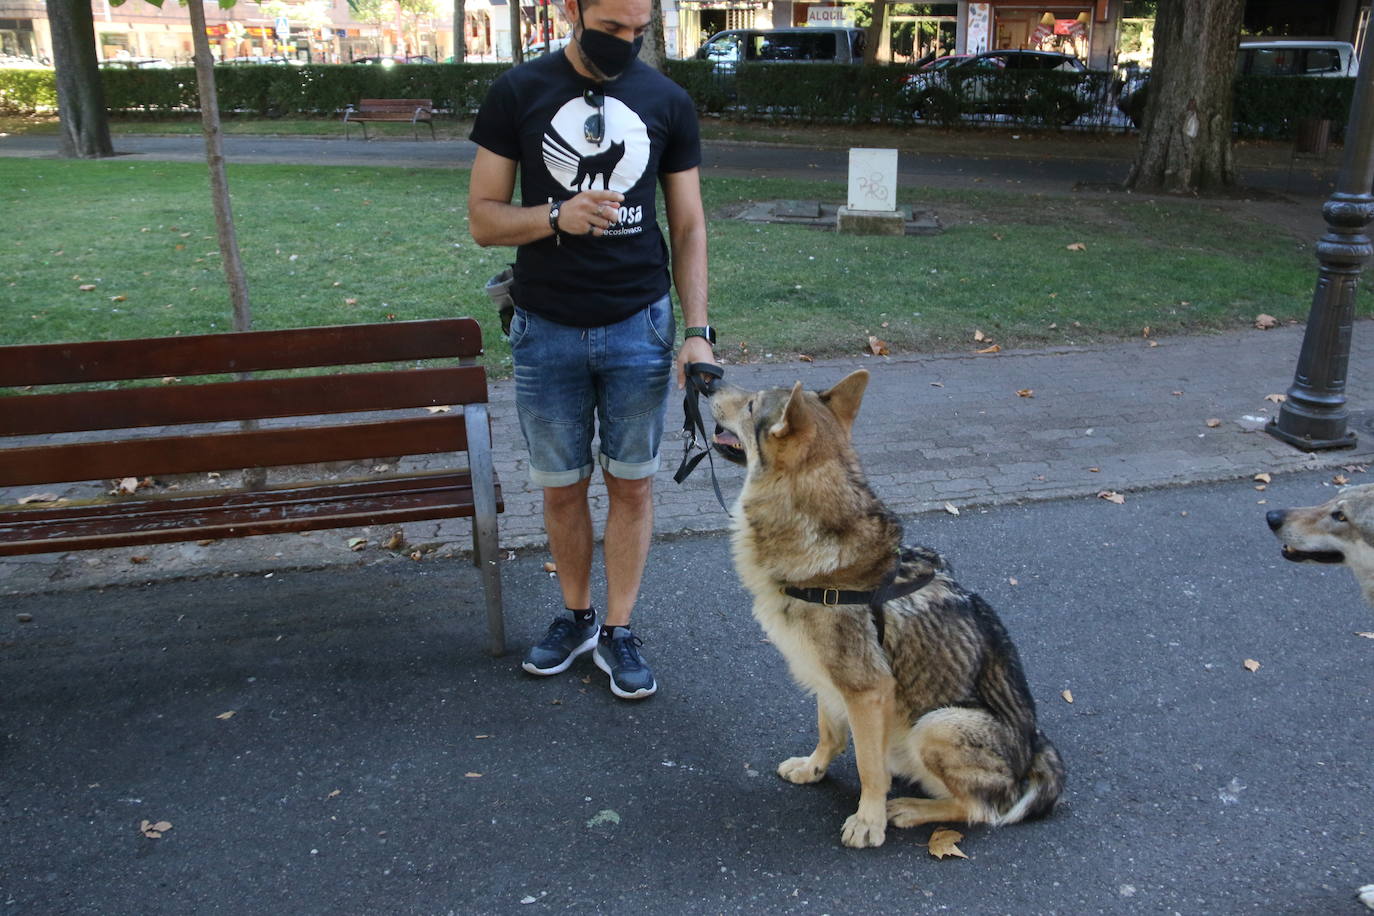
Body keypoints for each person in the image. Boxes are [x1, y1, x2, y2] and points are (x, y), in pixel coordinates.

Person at [467, 0, 717, 700]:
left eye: (639, 32)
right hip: (545, 327)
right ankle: (575, 616)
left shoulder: (666, 101)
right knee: (562, 486)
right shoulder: (519, 91)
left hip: (639, 325)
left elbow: (690, 224)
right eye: (611, 29)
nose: (627, 45)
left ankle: (619, 628)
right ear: (572, 9)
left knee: (632, 483)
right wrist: (555, 215)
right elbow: (484, 220)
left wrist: (696, 334)